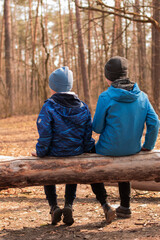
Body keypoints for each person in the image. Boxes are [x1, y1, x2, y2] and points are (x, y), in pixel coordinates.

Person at [32, 66, 115, 226]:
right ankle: (69, 204)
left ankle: (54, 207)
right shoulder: (82, 107)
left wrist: (40, 152)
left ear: (52, 86)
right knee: (75, 164)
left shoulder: (48, 107)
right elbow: (87, 135)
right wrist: (88, 149)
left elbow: (45, 136)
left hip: (53, 154)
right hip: (76, 153)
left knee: (47, 170)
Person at [92, 56, 159, 219]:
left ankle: (105, 204)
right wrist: (148, 146)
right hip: (133, 149)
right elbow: (155, 122)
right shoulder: (142, 96)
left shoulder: (105, 97)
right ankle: (125, 206)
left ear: (108, 76)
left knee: (91, 167)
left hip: (107, 149)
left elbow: (97, 128)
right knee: (125, 160)